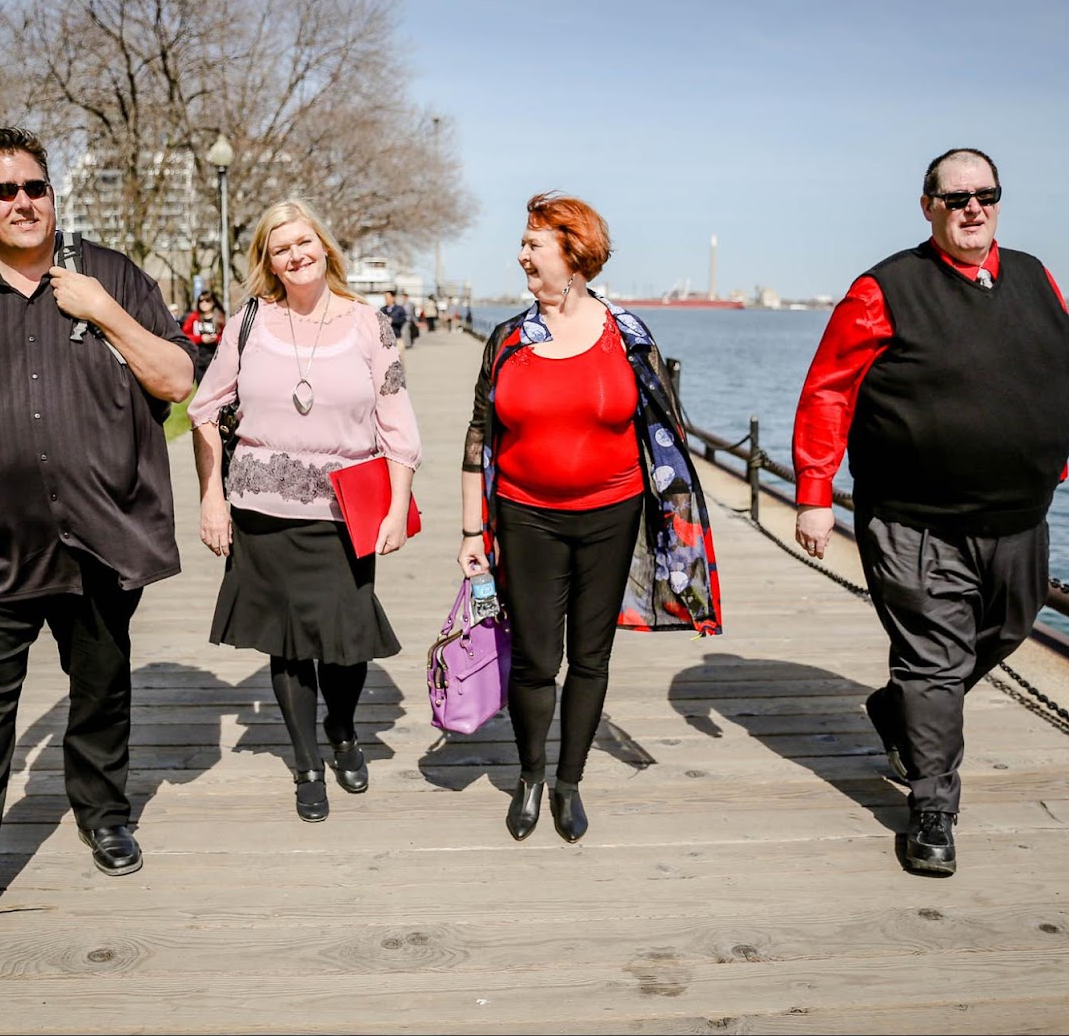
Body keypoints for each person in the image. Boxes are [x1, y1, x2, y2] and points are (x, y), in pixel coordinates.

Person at [0, 126, 196, 932]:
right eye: (4, 190)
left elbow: (177, 379)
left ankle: (103, 811)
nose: (24, 201)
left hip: (98, 539)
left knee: (100, 690)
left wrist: (104, 310)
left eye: (36, 186)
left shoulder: (112, 276)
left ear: (53, 193)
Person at [792, 148, 1069, 876]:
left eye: (986, 194)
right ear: (928, 207)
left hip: (1019, 514)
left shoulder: (1035, 275)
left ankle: (900, 711)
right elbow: (830, 390)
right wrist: (815, 492)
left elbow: (1059, 366)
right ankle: (932, 807)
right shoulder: (884, 288)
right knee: (933, 660)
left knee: (1010, 626)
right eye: (956, 198)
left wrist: (1052, 457)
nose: (973, 208)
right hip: (916, 518)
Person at [458, 192, 722, 845]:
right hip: (526, 518)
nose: (521, 253)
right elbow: (478, 435)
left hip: (612, 516)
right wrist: (471, 531)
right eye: (523, 241)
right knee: (536, 659)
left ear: (573, 253)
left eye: (533, 242)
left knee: (591, 657)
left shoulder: (627, 336)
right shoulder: (509, 339)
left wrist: (676, 533)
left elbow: (665, 428)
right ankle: (530, 773)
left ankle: (569, 781)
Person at [189, 199, 421, 823]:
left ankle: (343, 731)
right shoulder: (249, 322)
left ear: (324, 245)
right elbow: (204, 410)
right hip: (262, 513)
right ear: (268, 259)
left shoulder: (370, 324)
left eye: (303, 242)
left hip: (346, 510)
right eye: (280, 247)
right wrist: (212, 496)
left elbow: (397, 425)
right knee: (288, 646)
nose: (295, 255)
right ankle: (308, 762)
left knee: (346, 642)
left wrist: (397, 508)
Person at [182, 290, 226, 382]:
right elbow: (185, 335)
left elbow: (225, 337)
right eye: (201, 301)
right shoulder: (194, 317)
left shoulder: (219, 317)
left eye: (207, 300)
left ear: (213, 302)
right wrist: (201, 338)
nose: (204, 303)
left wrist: (215, 339)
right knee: (201, 385)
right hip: (199, 357)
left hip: (215, 357)